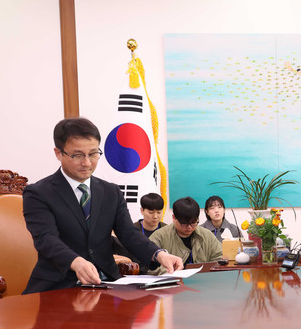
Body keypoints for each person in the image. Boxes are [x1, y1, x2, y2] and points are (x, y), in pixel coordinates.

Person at [22, 117, 183, 294]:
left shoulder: (111, 192)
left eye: (93, 154)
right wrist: (76, 262)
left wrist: (160, 254)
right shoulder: (38, 193)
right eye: (77, 155)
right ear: (58, 153)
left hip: (106, 283)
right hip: (59, 286)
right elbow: (46, 239)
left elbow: (128, 233)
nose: (87, 163)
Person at [149, 196, 223, 274]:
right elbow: (149, 267)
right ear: (174, 218)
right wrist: (172, 273)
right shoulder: (159, 236)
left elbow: (219, 258)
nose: (189, 227)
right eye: (184, 223)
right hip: (171, 280)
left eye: (193, 222)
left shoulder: (207, 236)